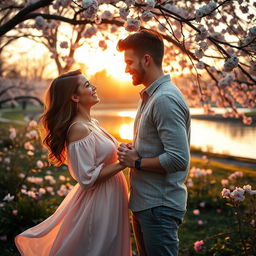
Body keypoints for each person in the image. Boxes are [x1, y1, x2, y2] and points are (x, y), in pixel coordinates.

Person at [15, 70, 131, 256]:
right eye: (87, 85)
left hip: (111, 195)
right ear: (75, 97)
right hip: (99, 200)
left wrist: (124, 150)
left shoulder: (91, 122)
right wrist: (123, 164)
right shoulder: (78, 129)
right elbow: (87, 179)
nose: (94, 87)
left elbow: (102, 158)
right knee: (99, 248)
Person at [116, 29, 191, 256]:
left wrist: (136, 162)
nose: (126, 68)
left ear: (146, 60)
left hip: (159, 207)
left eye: (129, 62)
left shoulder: (164, 99)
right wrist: (135, 148)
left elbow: (178, 159)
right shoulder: (150, 95)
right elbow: (159, 145)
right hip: (145, 204)